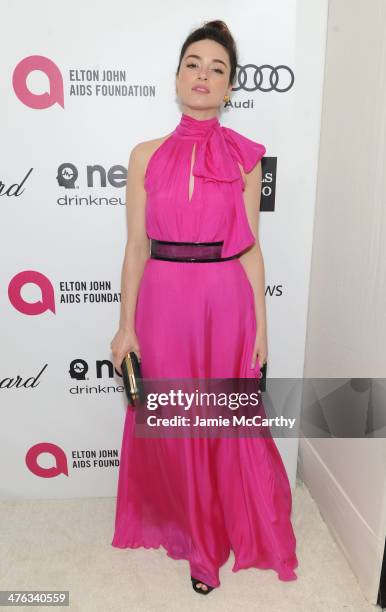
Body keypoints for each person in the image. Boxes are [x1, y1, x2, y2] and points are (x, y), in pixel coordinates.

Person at [110, 19, 298, 595]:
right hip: (163, 302)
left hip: (226, 303)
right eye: (194, 63)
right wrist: (124, 328)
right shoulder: (144, 155)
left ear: (230, 87)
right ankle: (193, 536)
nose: (203, 75)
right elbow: (136, 246)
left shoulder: (246, 158)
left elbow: (251, 248)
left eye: (218, 69)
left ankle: (213, 540)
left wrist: (262, 330)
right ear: (177, 76)